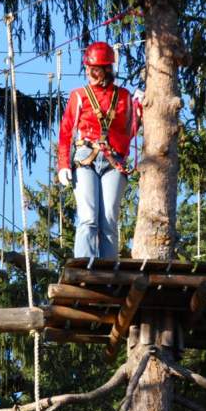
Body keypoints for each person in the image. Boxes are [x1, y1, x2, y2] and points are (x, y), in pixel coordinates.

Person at [57, 41, 140, 259]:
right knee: (88, 218)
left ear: (105, 70)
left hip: (113, 161)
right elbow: (66, 131)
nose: (89, 74)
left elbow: (129, 132)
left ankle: (108, 269)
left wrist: (139, 110)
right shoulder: (79, 96)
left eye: (93, 70)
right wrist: (63, 164)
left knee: (109, 222)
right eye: (88, 69)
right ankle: (85, 265)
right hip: (86, 158)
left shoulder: (123, 97)